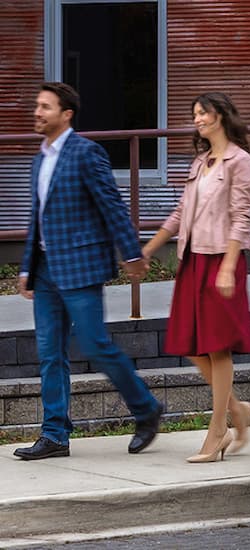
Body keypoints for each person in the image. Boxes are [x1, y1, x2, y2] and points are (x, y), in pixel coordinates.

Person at [14, 82, 165, 461]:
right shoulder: (40, 159)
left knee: (96, 344)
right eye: (37, 105)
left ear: (66, 114)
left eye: (45, 106)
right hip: (46, 270)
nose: (37, 112)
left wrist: (131, 252)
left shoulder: (86, 153)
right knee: (49, 353)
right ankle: (55, 435)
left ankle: (146, 409)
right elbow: (37, 218)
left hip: (81, 266)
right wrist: (27, 268)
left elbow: (111, 206)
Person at [141, 92, 250, 463]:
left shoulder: (241, 162)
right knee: (190, 343)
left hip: (223, 260)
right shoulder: (200, 162)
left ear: (220, 116)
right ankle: (238, 409)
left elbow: (241, 217)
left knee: (217, 345)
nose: (197, 120)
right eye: (194, 114)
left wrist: (227, 266)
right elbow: (179, 214)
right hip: (194, 260)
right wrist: (149, 247)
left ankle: (218, 428)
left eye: (202, 114)